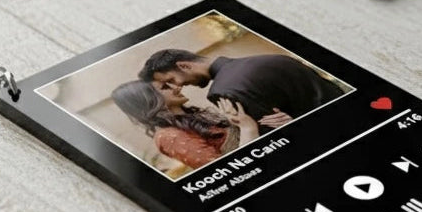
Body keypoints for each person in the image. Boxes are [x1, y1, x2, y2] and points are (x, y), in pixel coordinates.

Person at [138, 48, 345, 134]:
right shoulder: (266, 58)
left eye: (172, 79)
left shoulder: (222, 91)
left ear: (184, 66)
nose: (178, 86)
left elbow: (276, 138)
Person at [111, 79, 261, 170]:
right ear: (149, 99)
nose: (176, 87)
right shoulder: (169, 136)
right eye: (165, 88)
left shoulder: (191, 119)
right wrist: (248, 128)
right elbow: (224, 171)